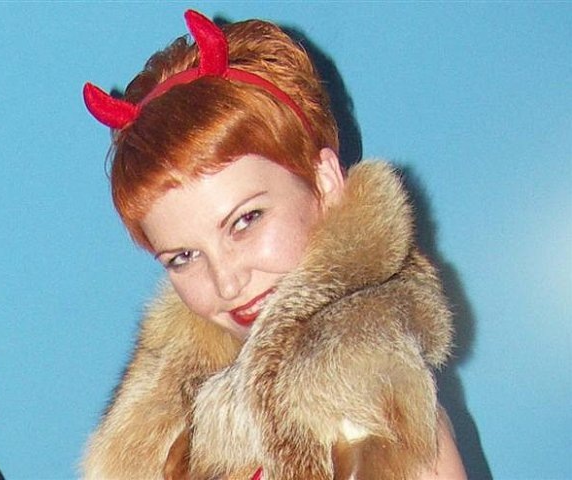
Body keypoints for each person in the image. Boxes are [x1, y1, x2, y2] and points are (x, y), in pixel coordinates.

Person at [81, 9, 467, 480]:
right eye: (183, 257)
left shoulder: (381, 433)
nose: (227, 282)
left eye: (245, 221)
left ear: (325, 183)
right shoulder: (175, 426)